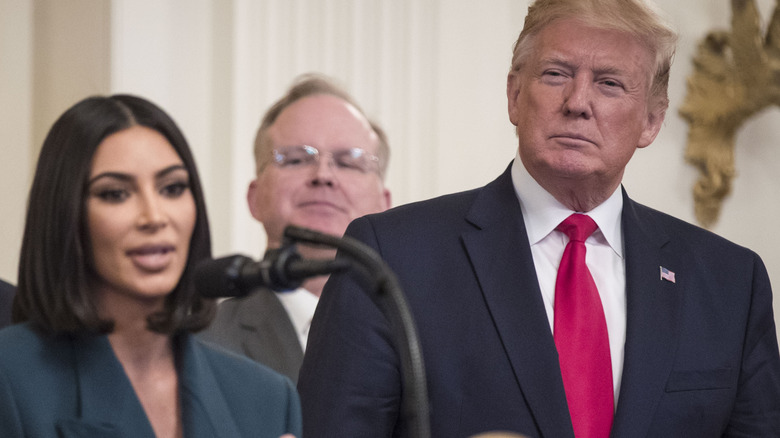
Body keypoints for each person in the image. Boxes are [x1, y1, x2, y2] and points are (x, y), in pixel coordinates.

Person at [298, 0, 780, 437]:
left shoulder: (730, 282)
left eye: (609, 83)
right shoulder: (391, 257)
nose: (578, 102)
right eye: (555, 74)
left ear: (652, 121)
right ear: (514, 94)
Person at [0, 94, 301, 438]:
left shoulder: (268, 399)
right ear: (65, 215)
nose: (154, 217)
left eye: (172, 188)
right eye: (115, 194)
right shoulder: (10, 377)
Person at [199, 74, 391, 384]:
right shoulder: (203, 345)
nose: (323, 175)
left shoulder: (424, 337)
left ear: (385, 204)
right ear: (254, 197)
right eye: (296, 159)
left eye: (348, 162)